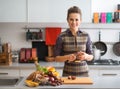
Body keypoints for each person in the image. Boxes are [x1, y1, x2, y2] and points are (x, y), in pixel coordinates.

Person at [54, 6, 93, 77]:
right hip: (67, 75)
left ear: (80, 20)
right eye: (71, 19)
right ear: (67, 20)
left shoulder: (86, 35)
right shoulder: (61, 36)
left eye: (76, 19)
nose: (74, 22)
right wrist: (67, 57)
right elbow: (56, 58)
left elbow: (91, 56)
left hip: (84, 75)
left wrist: (86, 56)